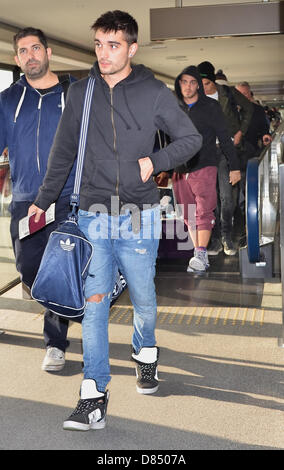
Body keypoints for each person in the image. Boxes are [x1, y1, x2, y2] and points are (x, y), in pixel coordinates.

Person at [28, 10, 202, 431]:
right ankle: (94, 395)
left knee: (143, 299)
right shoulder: (82, 92)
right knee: (95, 306)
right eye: (99, 45)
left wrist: (154, 161)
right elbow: (62, 152)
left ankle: (145, 354)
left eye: (114, 45)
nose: (104, 54)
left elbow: (190, 139)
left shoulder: (154, 93)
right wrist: (43, 199)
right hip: (92, 217)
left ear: (132, 48)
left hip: (138, 216)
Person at [0, 27, 76, 372]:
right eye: (22, 51)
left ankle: (55, 343)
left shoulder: (73, 94)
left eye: (35, 48)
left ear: (48, 52)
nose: (30, 55)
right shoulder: (7, 100)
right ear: (17, 59)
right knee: (29, 270)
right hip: (27, 200)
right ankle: (63, 304)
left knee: (58, 270)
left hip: (67, 197)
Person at [171, 66, 241, 272]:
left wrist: (234, 167)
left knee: (204, 209)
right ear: (178, 83)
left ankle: (201, 252)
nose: (188, 86)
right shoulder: (173, 107)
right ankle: (198, 253)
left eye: (193, 82)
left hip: (205, 164)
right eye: (184, 81)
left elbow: (225, 136)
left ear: (199, 86)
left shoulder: (211, 106)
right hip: (179, 169)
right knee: (188, 213)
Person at [197, 61, 253, 256]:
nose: (202, 87)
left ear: (212, 80)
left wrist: (240, 132)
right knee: (210, 197)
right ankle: (216, 238)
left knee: (227, 196)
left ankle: (227, 237)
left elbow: (249, 109)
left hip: (227, 150)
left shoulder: (227, 93)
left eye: (206, 83)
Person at [235, 81, 272, 155]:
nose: (241, 97)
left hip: (251, 148)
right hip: (231, 150)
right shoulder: (228, 109)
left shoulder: (258, 109)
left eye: (244, 93)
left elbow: (264, 127)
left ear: (249, 94)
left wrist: (265, 135)